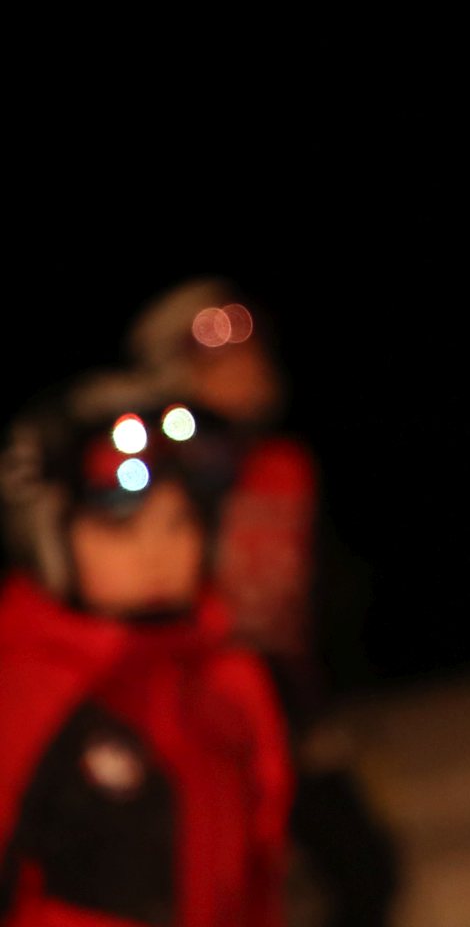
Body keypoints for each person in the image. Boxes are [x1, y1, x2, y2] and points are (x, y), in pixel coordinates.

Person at [129, 283, 399, 927]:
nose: (244, 369)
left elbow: (328, 593)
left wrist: (333, 702)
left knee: (365, 871)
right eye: (215, 362)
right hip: (200, 723)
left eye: (250, 353)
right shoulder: (153, 477)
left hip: (293, 711)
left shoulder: (284, 464)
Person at [1, 374, 292, 927]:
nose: (157, 552)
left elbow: (263, 861)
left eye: (179, 523)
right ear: (49, 539)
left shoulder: (230, 678)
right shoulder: (25, 688)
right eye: (122, 530)